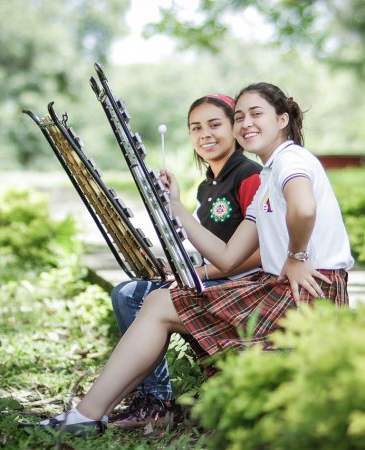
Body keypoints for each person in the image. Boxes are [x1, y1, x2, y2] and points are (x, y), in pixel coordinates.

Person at [25, 82, 353, 437]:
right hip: (280, 288)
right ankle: (89, 415)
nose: (245, 124)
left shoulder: (291, 158)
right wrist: (177, 207)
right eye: (240, 116)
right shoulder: (269, 177)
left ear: (282, 119)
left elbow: (304, 208)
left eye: (256, 114)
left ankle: (94, 414)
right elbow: (227, 258)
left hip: (307, 290)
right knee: (159, 303)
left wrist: (297, 255)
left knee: (160, 305)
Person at [109, 93, 262, 429]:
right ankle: (152, 399)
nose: (204, 133)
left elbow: (263, 251)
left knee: (135, 295)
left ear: (235, 128)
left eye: (214, 124)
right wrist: (178, 267)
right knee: (126, 291)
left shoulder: (250, 176)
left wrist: (200, 272)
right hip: (211, 276)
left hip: (244, 285)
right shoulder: (207, 186)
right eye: (196, 127)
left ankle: (156, 400)